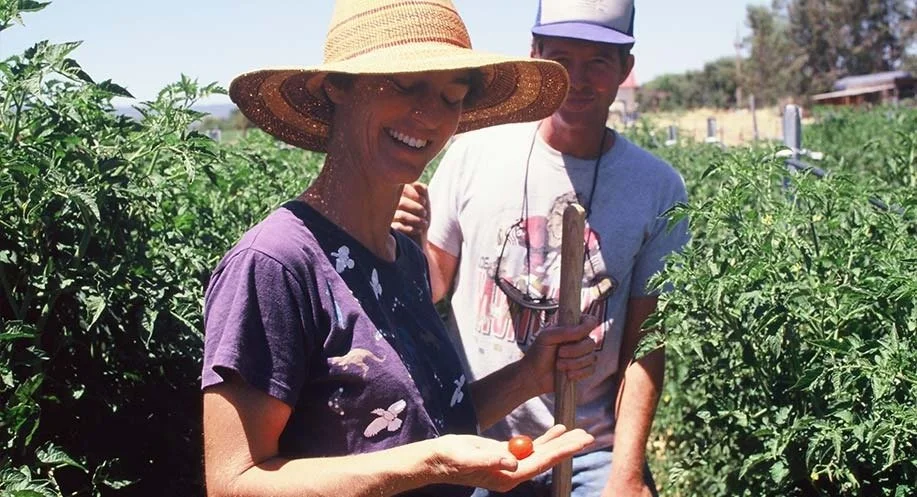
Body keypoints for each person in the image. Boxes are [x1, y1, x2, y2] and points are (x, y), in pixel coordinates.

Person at [200, 1, 602, 497]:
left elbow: (419, 418)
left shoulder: (404, 260)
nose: (431, 115)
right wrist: (425, 464)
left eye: (451, 97)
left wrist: (528, 375)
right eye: (405, 86)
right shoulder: (276, 264)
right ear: (337, 87)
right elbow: (233, 481)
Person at [392, 0, 690, 496]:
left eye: (598, 60)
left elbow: (645, 345)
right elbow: (433, 288)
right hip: (476, 438)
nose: (578, 78)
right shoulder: (474, 152)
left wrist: (627, 472)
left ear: (625, 69)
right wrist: (409, 239)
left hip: (587, 447)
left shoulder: (656, 187)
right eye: (560, 60)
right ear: (534, 57)